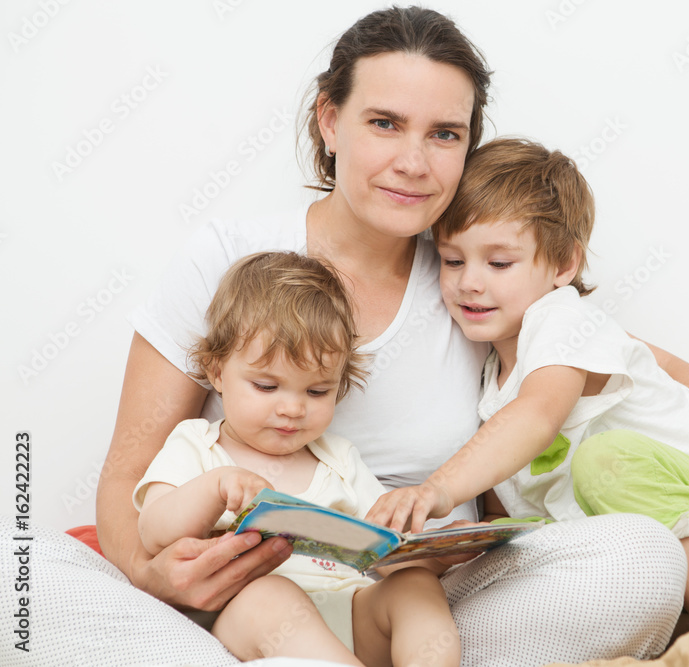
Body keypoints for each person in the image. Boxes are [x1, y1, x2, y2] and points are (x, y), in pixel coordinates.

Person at [85, 6, 689, 665]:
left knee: (643, 558)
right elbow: (127, 474)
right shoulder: (229, 258)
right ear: (329, 122)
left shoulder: (474, 278)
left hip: (425, 598)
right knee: (19, 578)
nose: (414, 161)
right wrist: (155, 576)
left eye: (444, 134)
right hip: (247, 593)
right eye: (384, 123)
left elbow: (634, 360)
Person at [368, 138, 689, 629]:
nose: (469, 281)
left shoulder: (562, 321)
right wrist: (450, 545)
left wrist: (435, 491)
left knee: (608, 459)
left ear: (563, 266)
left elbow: (537, 416)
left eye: (498, 263)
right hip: (657, 557)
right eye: (453, 261)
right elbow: (505, 508)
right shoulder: (491, 382)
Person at [133, 250, 460, 665]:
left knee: (415, 586)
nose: (292, 409)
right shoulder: (198, 444)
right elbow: (154, 531)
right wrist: (216, 489)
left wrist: (436, 555)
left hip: (350, 618)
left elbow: (385, 555)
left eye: (317, 391)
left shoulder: (339, 460)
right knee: (272, 595)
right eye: (267, 387)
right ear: (217, 372)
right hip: (251, 618)